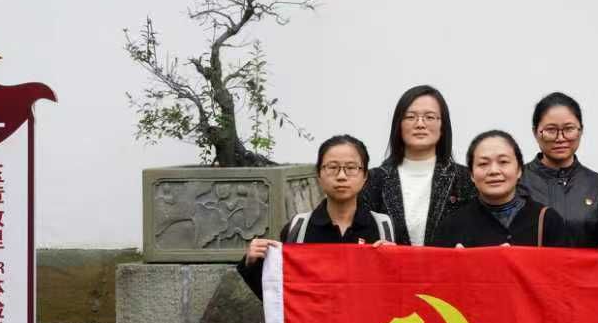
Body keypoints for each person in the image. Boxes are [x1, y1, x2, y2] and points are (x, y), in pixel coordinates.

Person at [238, 134, 392, 293]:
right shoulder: (299, 229)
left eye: (351, 168)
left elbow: (398, 291)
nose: (341, 176)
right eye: (332, 167)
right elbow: (280, 297)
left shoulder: (383, 228)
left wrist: (397, 261)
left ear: (365, 176)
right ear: (319, 174)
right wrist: (252, 263)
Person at [362, 85, 471, 247]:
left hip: (450, 264)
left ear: (443, 126)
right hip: (389, 264)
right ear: (398, 125)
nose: (420, 124)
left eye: (429, 117)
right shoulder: (374, 180)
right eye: (410, 117)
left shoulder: (465, 178)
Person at [429, 130, 569, 248]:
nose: (494, 171)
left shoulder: (547, 220)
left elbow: (562, 270)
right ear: (471, 174)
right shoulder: (453, 225)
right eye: (483, 164)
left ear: (519, 170)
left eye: (503, 162)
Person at [519, 92, 598, 249]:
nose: (560, 138)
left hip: (585, 266)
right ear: (535, 132)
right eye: (551, 130)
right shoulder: (517, 182)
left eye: (569, 129)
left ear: (581, 130)